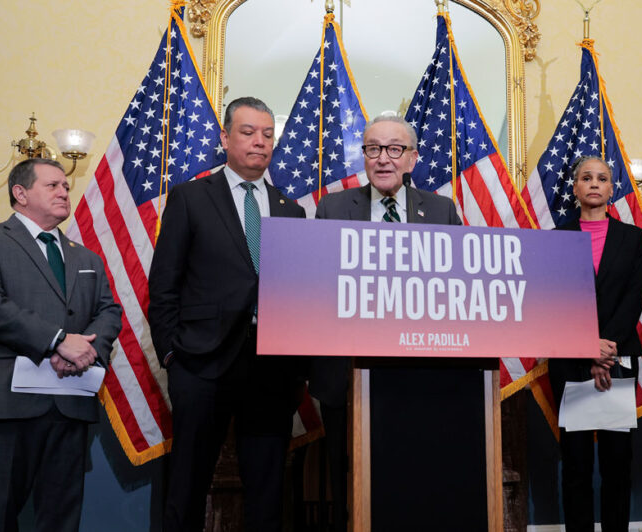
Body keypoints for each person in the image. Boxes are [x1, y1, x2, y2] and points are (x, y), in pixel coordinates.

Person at [148, 96, 306, 531]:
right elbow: (163, 285)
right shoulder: (190, 197)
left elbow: (297, 292)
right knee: (188, 484)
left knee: (267, 493)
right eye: (248, 132)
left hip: (272, 368)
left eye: (268, 134)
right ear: (225, 138)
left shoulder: (291, 209)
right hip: (202, 363)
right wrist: (171, 355)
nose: (260, 142)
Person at [0, 158, 122, 532]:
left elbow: (109, 311)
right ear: (20, 193)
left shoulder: (86, 256)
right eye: (53, 185)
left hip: (69, 402)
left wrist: (86, 352)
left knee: (61, 519)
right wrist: (58, 342)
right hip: (3, 405)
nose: (64, 192)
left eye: (66, 186)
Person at [309, 114, 462, 531]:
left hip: (421, 373)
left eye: (395, 149)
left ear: (412, 158)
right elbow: (316, 286)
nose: (383, 159)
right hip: (346, 374)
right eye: (373, 148)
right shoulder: (333, 208)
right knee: (350, 486)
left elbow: (458, 291)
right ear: (364, 156)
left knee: (415, 482)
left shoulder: (441, 211)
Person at [548, 156, 642, 532]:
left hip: (618, 359)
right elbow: (554, 301)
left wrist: (606, 348)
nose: (593, 183)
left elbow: (633, 297)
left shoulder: (632, 238)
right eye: (586, 178)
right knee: (575, 463)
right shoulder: (557, 238)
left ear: (611, 188)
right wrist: (586, 346)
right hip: (570, 361)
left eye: (602, 178)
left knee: (617, 461)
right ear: (575, 188)